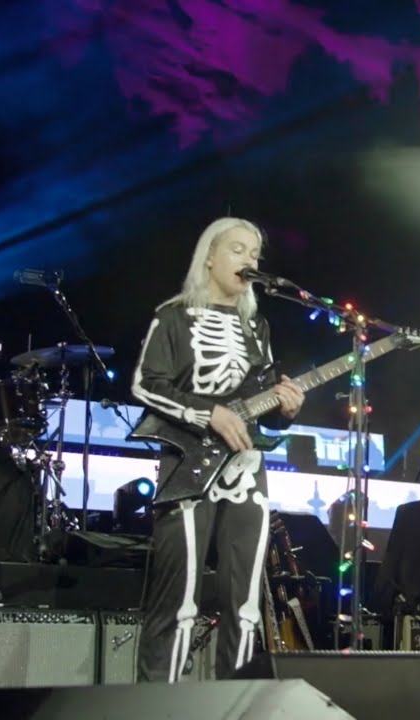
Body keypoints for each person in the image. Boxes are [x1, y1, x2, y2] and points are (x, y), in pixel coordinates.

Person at [131, 217, 305, 682]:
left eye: (255, 254)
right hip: (188, 465)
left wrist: (285, 408)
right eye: (237, 249)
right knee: (177, 602)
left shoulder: (257, 327)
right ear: (208, 256)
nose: (249, 260)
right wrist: (207, 412)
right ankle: (156, 711)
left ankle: (237, 705)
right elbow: (146, 384)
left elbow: (262, 400)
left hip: (246, 468)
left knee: (246, 606)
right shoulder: (172, 315)